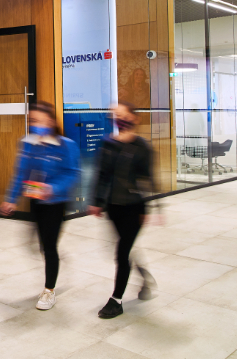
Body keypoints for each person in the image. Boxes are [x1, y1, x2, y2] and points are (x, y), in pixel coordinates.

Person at [0, 102, 81, 311]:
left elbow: (73, 173)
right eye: (31, 120)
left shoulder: (66, 145)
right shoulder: (27, 143)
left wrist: (52, 188)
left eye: (37, 120)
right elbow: (21, 173)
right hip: (35, 200)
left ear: (50, 121)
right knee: (40, 245)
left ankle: (49, 290)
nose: (33, 124)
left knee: (49, 246)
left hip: (56, 202)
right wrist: (11, 199)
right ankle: (53, 265)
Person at [90, 101, 158, 319]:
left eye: (122, 115)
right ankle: (145, 278)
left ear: (134, 118)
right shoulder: (107, 144)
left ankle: (116, 300)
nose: (118, 118)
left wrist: (150, 207)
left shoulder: (142, 146)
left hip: (133, 208)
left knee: (121, 253)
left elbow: (148, 179)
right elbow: (101, 175)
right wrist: (97, 201)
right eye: (115, 115)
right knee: (125, 250)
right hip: (113, 207)